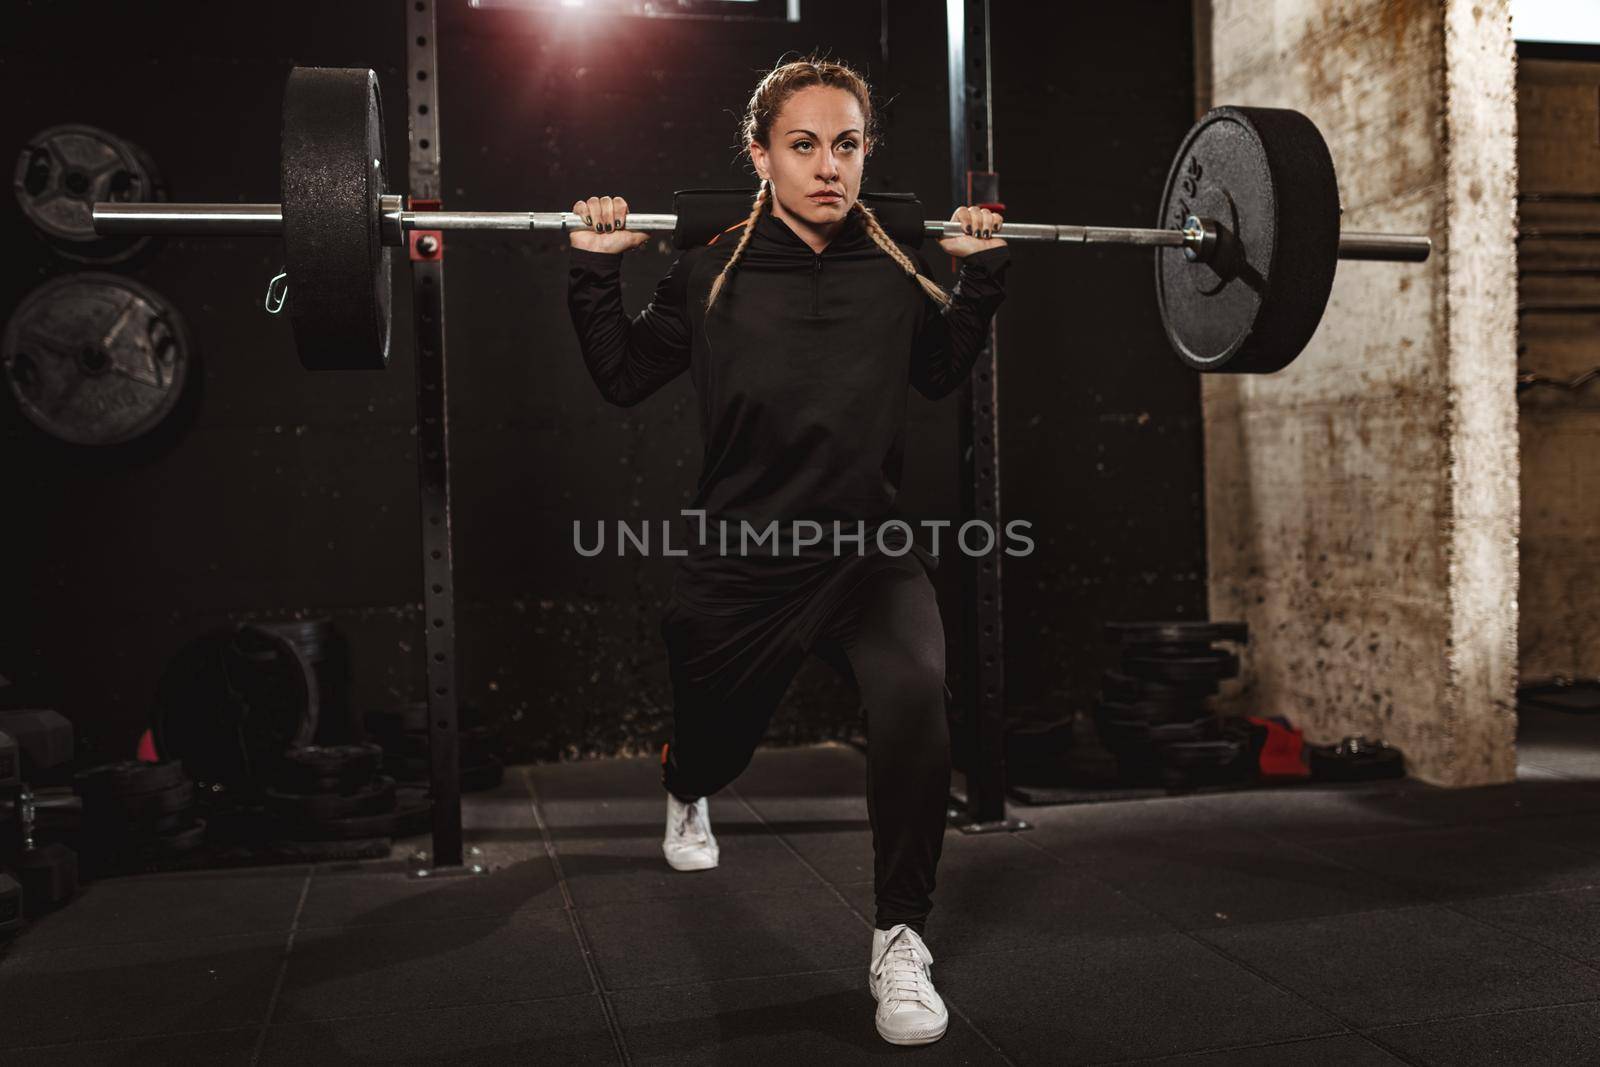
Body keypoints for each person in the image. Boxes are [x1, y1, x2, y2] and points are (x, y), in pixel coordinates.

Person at [565, 55, 1008, 1047]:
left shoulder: (895, 257)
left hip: (865, 551)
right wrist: (596, 268)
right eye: (802, 145)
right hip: (740, 556)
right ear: (758, 154)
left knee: (913, 700)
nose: (828, 168)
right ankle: (687, 781)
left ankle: (899, 935)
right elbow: (626, 376)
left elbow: (936, 374)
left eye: (846, 145)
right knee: (717, 748)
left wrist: (979, 280)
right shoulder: (709, 261)